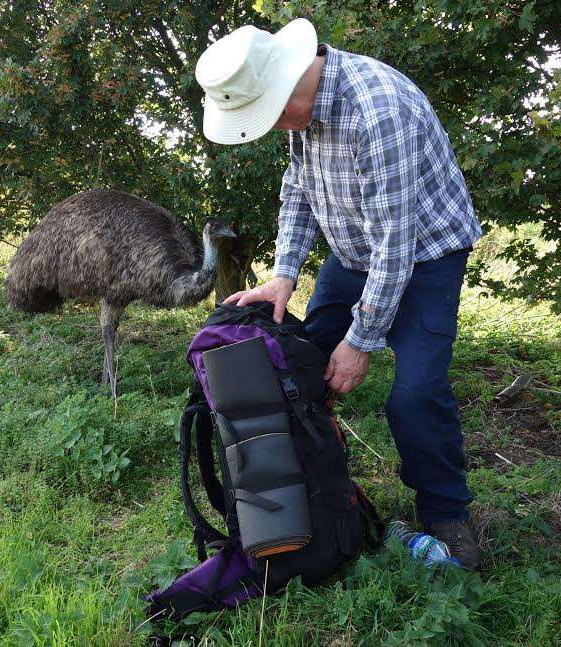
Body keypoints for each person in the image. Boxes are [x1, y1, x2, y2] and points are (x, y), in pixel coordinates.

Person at [194, 18, 483, 569]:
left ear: (287, 84)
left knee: (416, 396)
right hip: (352, 258)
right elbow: (298, 191)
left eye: (272, 115)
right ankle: (315, 493)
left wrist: (361, 341)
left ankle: (448, 514)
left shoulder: (380, 111)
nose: (276, 127)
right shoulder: (299, 114)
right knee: (296, 364)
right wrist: (283, 273)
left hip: (426, 259)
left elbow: (395, 247)